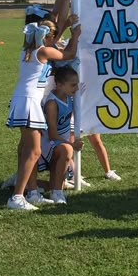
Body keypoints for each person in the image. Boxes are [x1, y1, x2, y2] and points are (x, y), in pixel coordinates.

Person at [6, 20, 81, 210]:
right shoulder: (43, 51)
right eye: (52, 37)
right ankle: (17, 197)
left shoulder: (28, 50)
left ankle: (31, 192)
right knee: (33, 151)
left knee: (26, 149)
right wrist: (75, 35)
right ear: (46, 37)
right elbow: (69, 54)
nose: (55, 40)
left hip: (24, 99)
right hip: (30, 101)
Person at [36, 66, 84, 204]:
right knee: (67, 150)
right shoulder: (52, 103)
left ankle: (23, 181)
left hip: (61, 141)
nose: (76, 88)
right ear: (60, 85)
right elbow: (52, 134)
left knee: (54, 183)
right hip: (49, 143)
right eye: (73, 85)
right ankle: (57, 193)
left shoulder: (70, 97)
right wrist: (72, 144)